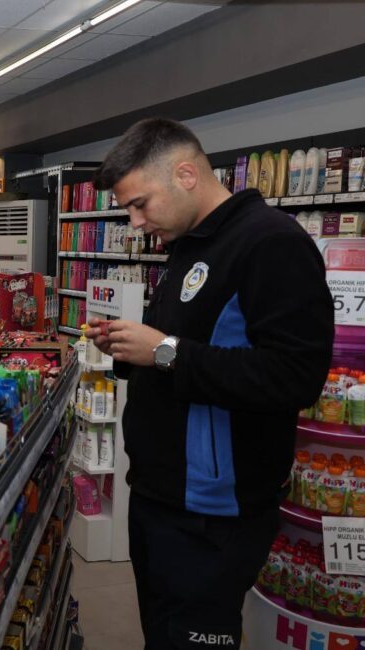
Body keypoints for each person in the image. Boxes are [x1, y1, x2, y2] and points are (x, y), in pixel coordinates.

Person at [87, 118, 334, 649]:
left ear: (185, 174)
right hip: (160, 497)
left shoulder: (272, 244)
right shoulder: (187, 244)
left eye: (139, 203)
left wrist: (166, 353)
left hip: (213, 516)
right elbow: (184, 348)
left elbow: (296, 376)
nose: (133, 223)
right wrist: (133, 350)